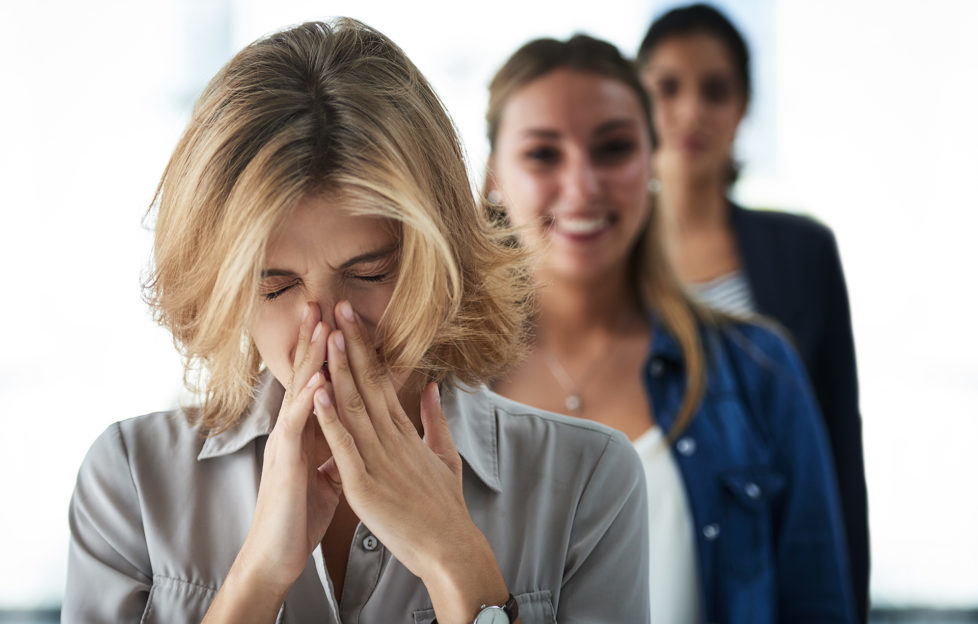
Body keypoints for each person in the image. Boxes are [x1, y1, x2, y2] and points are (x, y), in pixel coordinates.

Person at [64, 19, 650, 623]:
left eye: (370, 273)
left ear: (441, 259)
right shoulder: (131, 481)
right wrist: (258, 575)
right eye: (275, 286)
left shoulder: (589, 481)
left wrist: (459, 567)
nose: (327, 330)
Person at [484, 33, 856, 623]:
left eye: (612, 148)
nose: (582, 185)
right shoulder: (439, 383)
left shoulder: (758, 370)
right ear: (493, 178)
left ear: (652, 160)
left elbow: (818, 606)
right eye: (543, 154)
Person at [636, 4, 869, 620]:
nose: (691, 110)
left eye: (715, 90)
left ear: (742, 108)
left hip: (760, 571)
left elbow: (837, 451)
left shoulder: (802, 251)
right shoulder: (600, 256)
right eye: (667, 87)